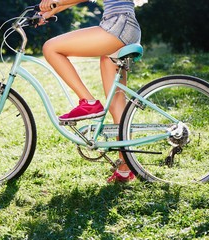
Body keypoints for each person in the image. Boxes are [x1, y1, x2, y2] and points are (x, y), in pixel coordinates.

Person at [38, 0, 141, 182]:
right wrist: (46, 12)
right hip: (125, 25)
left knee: (51, 48)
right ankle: (125, 168)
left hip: (117, 24)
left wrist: (55, 2)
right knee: (117, 107)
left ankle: (89, 102)